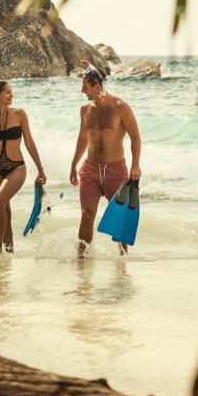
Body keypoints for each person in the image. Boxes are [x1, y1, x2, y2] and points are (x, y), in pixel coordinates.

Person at [69, 62, 142, 258]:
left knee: (120, 218)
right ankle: (81, 261)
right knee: (86, 216)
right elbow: (83, 138)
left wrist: (135, 164)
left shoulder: (120, 107)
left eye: (85, 87)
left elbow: (135, 136)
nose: (82, 91)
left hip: (115, 170)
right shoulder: (85, 110)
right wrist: (74, 164)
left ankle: (122, 261)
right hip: (90, 170)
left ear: (98, 87)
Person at [0, 81, 47, 253]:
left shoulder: (19, 114)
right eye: (7, 92)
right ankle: (9, 245)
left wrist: (40, 169)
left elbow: (29, 142)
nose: (11, 95)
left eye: (11, 92)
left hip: (16, 167)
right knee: (3, 206)